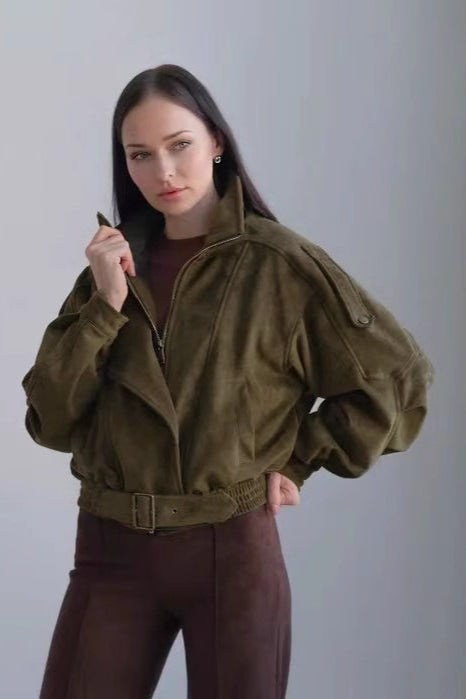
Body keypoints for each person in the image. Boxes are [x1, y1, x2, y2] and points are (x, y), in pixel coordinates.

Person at [21, 63, 434, 699]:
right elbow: (49, 421)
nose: (163, 172)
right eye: (140, 154)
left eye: (179, 145)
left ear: (216, 141)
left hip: (231, 554)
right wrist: (104, 308)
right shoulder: (110, 269)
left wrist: (300, 460)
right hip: (110, 552)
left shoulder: (280, 265)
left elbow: (397, 378)